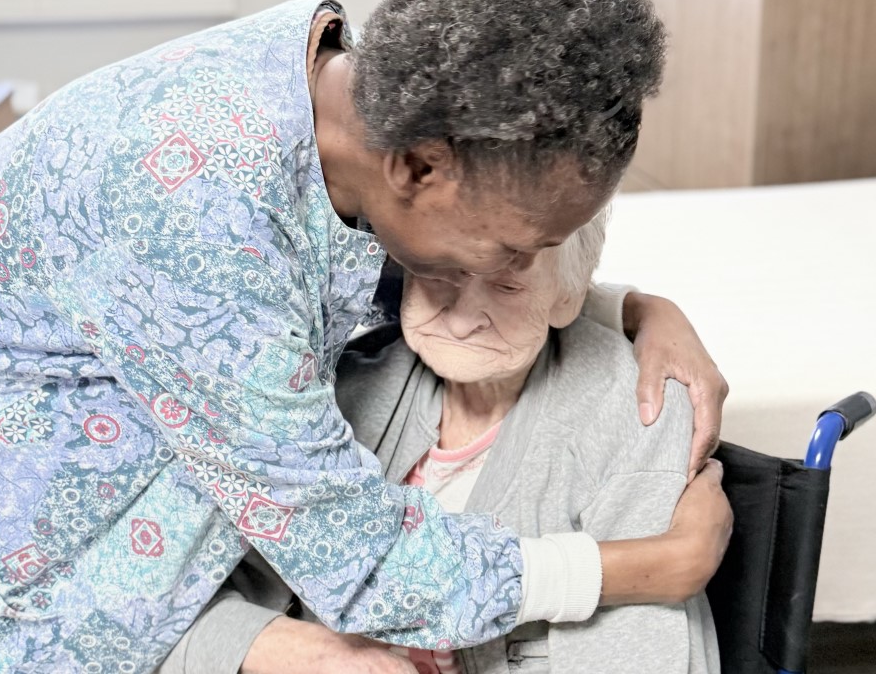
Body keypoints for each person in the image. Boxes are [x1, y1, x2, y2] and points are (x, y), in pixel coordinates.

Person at [0, 0, 728, 672]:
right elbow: (363, 564)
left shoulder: (327, 76)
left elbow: (335, 271)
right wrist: (649, 567)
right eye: (514, 250)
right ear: (420, 169)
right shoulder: (193, 221)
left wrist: (620, 305)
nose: (519, 267)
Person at [162, 207, 726, 674]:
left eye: (506, 284)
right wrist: (300, 649)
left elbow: (636, 652)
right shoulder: (331, 389)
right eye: (438, 274)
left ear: (568, 296)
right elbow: (161, 613)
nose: (462, 320)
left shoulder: (636, 408)